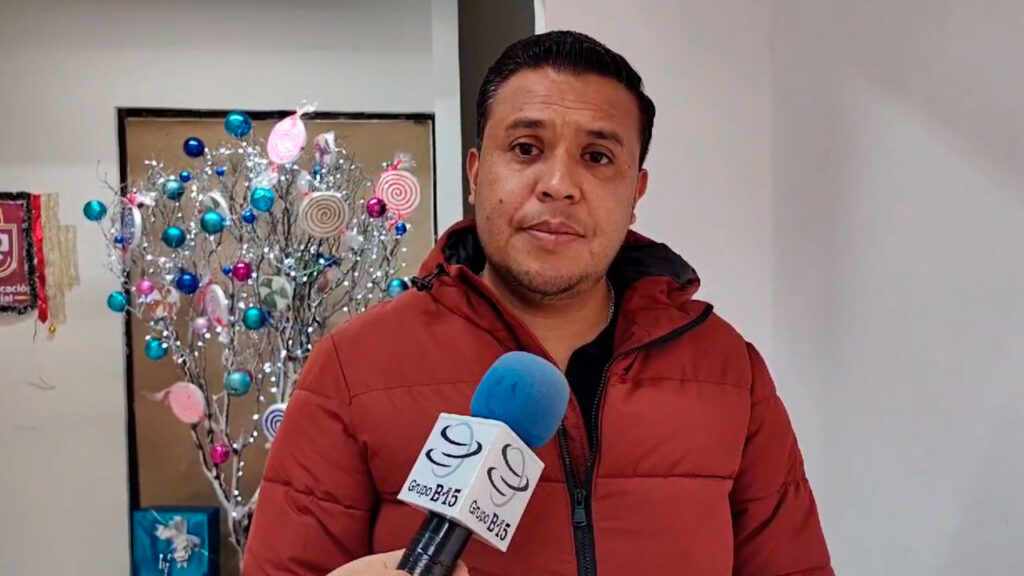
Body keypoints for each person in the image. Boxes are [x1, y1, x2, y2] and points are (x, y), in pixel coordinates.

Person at [244, 30, 833, 576]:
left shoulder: (730, 373)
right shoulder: (353, 367)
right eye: (526, 148)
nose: (558, 184)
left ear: (635, 192)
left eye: (597, 157)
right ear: (476, 174)